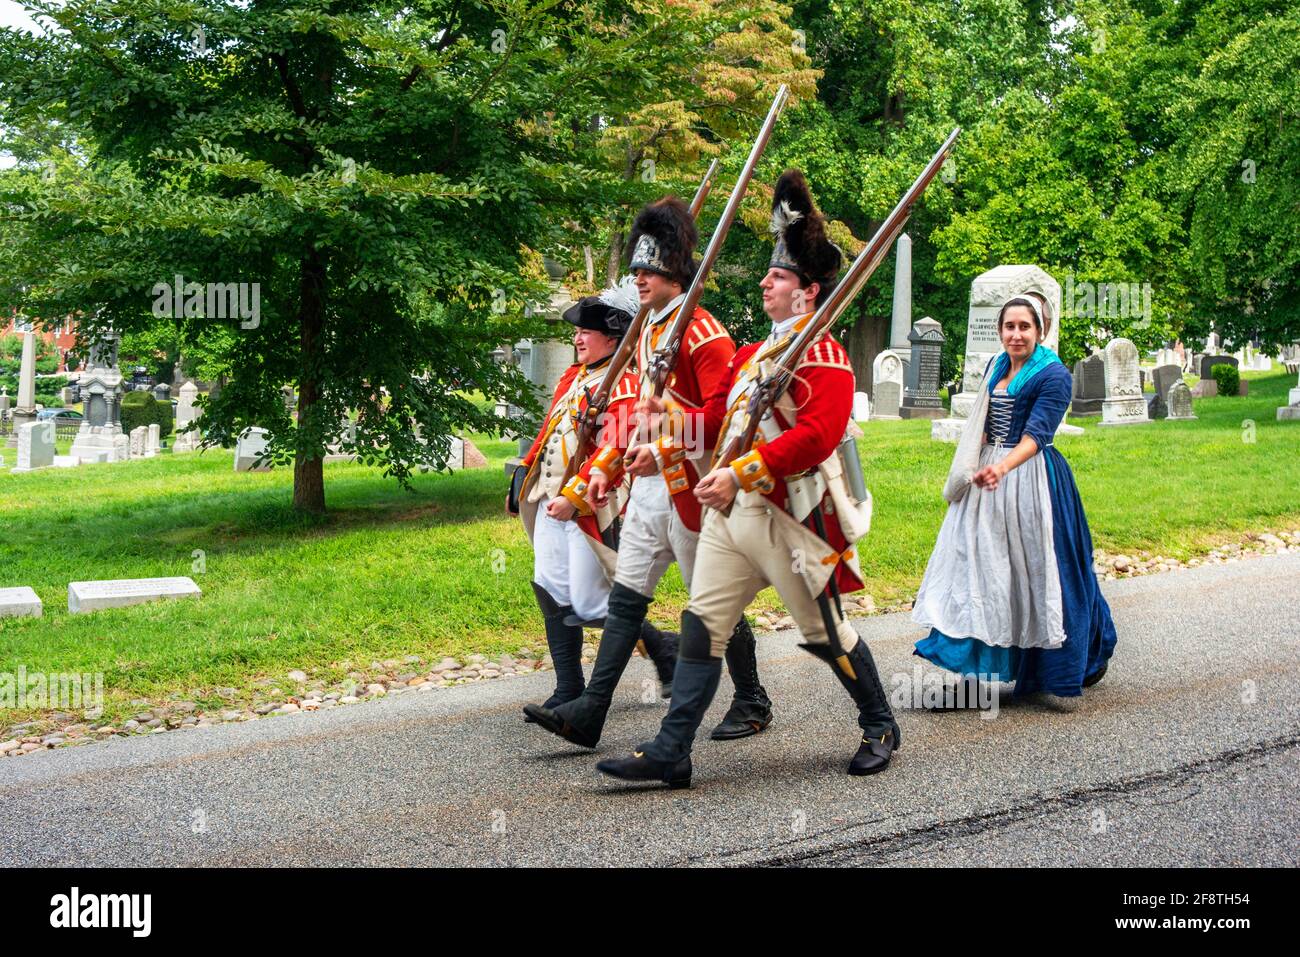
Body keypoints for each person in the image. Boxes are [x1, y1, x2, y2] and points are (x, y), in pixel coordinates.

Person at [596, 170, 896, 789]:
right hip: (732, 514)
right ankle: (672, 751)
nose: (765, 281)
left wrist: (742, 472)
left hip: (789, 516)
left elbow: (816, 435)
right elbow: (716, 419)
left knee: (823, 632)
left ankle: (879, 722)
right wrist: (668, 428)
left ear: (808, 293)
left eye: (778, 276)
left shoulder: (826, 357)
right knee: (703, 621)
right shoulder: (753, 354)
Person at [523, 196, 774, 747]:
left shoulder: (704, 333)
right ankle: (590, 709)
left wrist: (663, 451)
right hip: (649, 488)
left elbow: (722, 420)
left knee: (712, 598)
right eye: (636, 268)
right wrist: (603, 470)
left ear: (674, 270)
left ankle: (752, 697)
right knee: (626, 599)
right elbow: (635, 416)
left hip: (695, 487)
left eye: (648, 267)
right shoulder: (649, 334)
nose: (637, 277)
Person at [911, 293, 1118, 705]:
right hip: (988, 478)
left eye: (1025, 327)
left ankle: (1070, 658)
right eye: (1009, 326)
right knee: (981, 566)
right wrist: (974, 462)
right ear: (1000, 330)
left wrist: (1002, 468)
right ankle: (976, 664)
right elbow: (985, 424)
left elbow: (1037, 436)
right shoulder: (997, 365)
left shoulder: (1054, 375)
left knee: (1043, 571)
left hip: (1032, 480)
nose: (1016, 334)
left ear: (1040, 331)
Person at [509, 280, 645, 716]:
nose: (577, 338)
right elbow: (551, 433)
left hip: (588, 503)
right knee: (550, 588)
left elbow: (614, 449)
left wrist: (574, 494)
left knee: (589, 600)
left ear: (612, 338)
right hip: (547, 495)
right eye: (578, 332)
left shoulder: (623, 383)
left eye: (586, 331)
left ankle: (667, 649)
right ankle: (568, 686)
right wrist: (524, 481)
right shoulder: (575, 377)